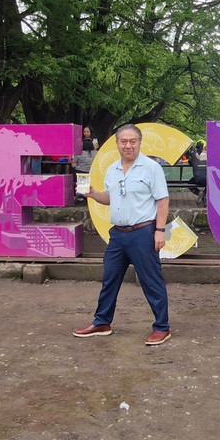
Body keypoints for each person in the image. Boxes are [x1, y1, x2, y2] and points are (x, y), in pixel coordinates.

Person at [73, 124, 172, 345]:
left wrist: (159, 230)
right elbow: (110, 198)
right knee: (109, 279)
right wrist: (93, 194)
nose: (128, 145)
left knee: (151, 281)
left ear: (139, 142)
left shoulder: (151, 168)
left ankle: (162, 327)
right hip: (117, 235)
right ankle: (102, 322)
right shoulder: (112, 169)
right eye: (123, 141)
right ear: (117, 143)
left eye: (132, 141)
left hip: (143, 232)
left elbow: (163, 200)